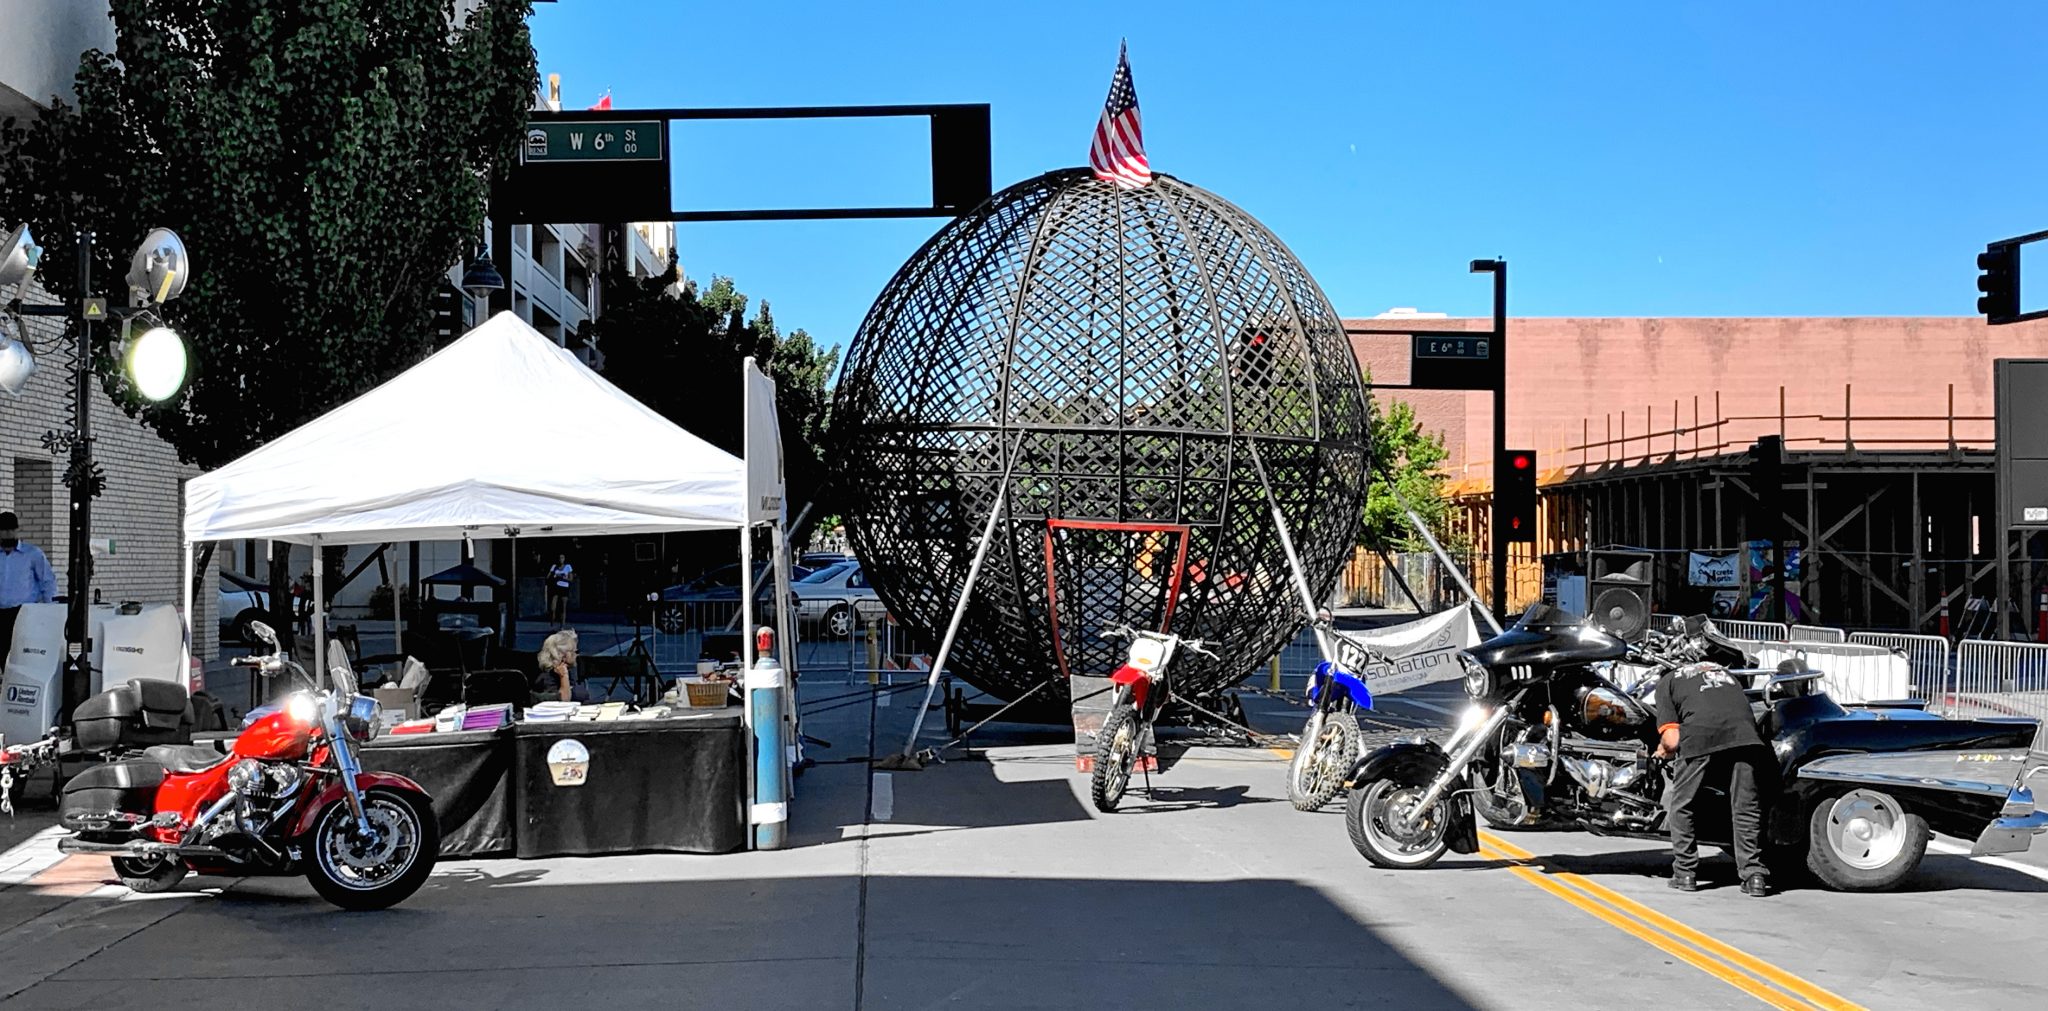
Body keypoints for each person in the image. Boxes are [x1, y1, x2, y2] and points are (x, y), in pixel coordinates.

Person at [1654, 660, 1773, 897]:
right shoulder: (1723, 672)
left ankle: (1685, 873)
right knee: (1745, 808)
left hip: (1700, 736)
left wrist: (1662, 751)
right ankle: (1754, 876)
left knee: (1682, 806)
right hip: (1745, 736)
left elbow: (1672, 740)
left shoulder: (1666, 683)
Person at [0, 510, 58, 654]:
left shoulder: (32, 554)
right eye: (4, 530)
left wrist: (50, 609)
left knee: (21, 652)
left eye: (11, 530)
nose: (8, 534)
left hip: (23, 612)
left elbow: (47, 581)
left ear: (17, 530)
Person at [535, 628, 589, 704]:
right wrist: (563, 676)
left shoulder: (572, 671)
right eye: (575, 651)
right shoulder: (547, 678)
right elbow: (563, 701)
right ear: (562, 655)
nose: (577, 655)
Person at [546, 554, 574, 626]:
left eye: (562, 558)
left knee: (563, 608)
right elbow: (548, 577)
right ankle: (552, 620)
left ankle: (562, 625)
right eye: (559, 558)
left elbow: (571, 579)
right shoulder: (554, 566)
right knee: (553, 607)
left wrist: (563, 578)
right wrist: (554, 576)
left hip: (564, 588)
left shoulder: (568, 567)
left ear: (564, 559)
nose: (560, 559)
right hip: (556, 588)